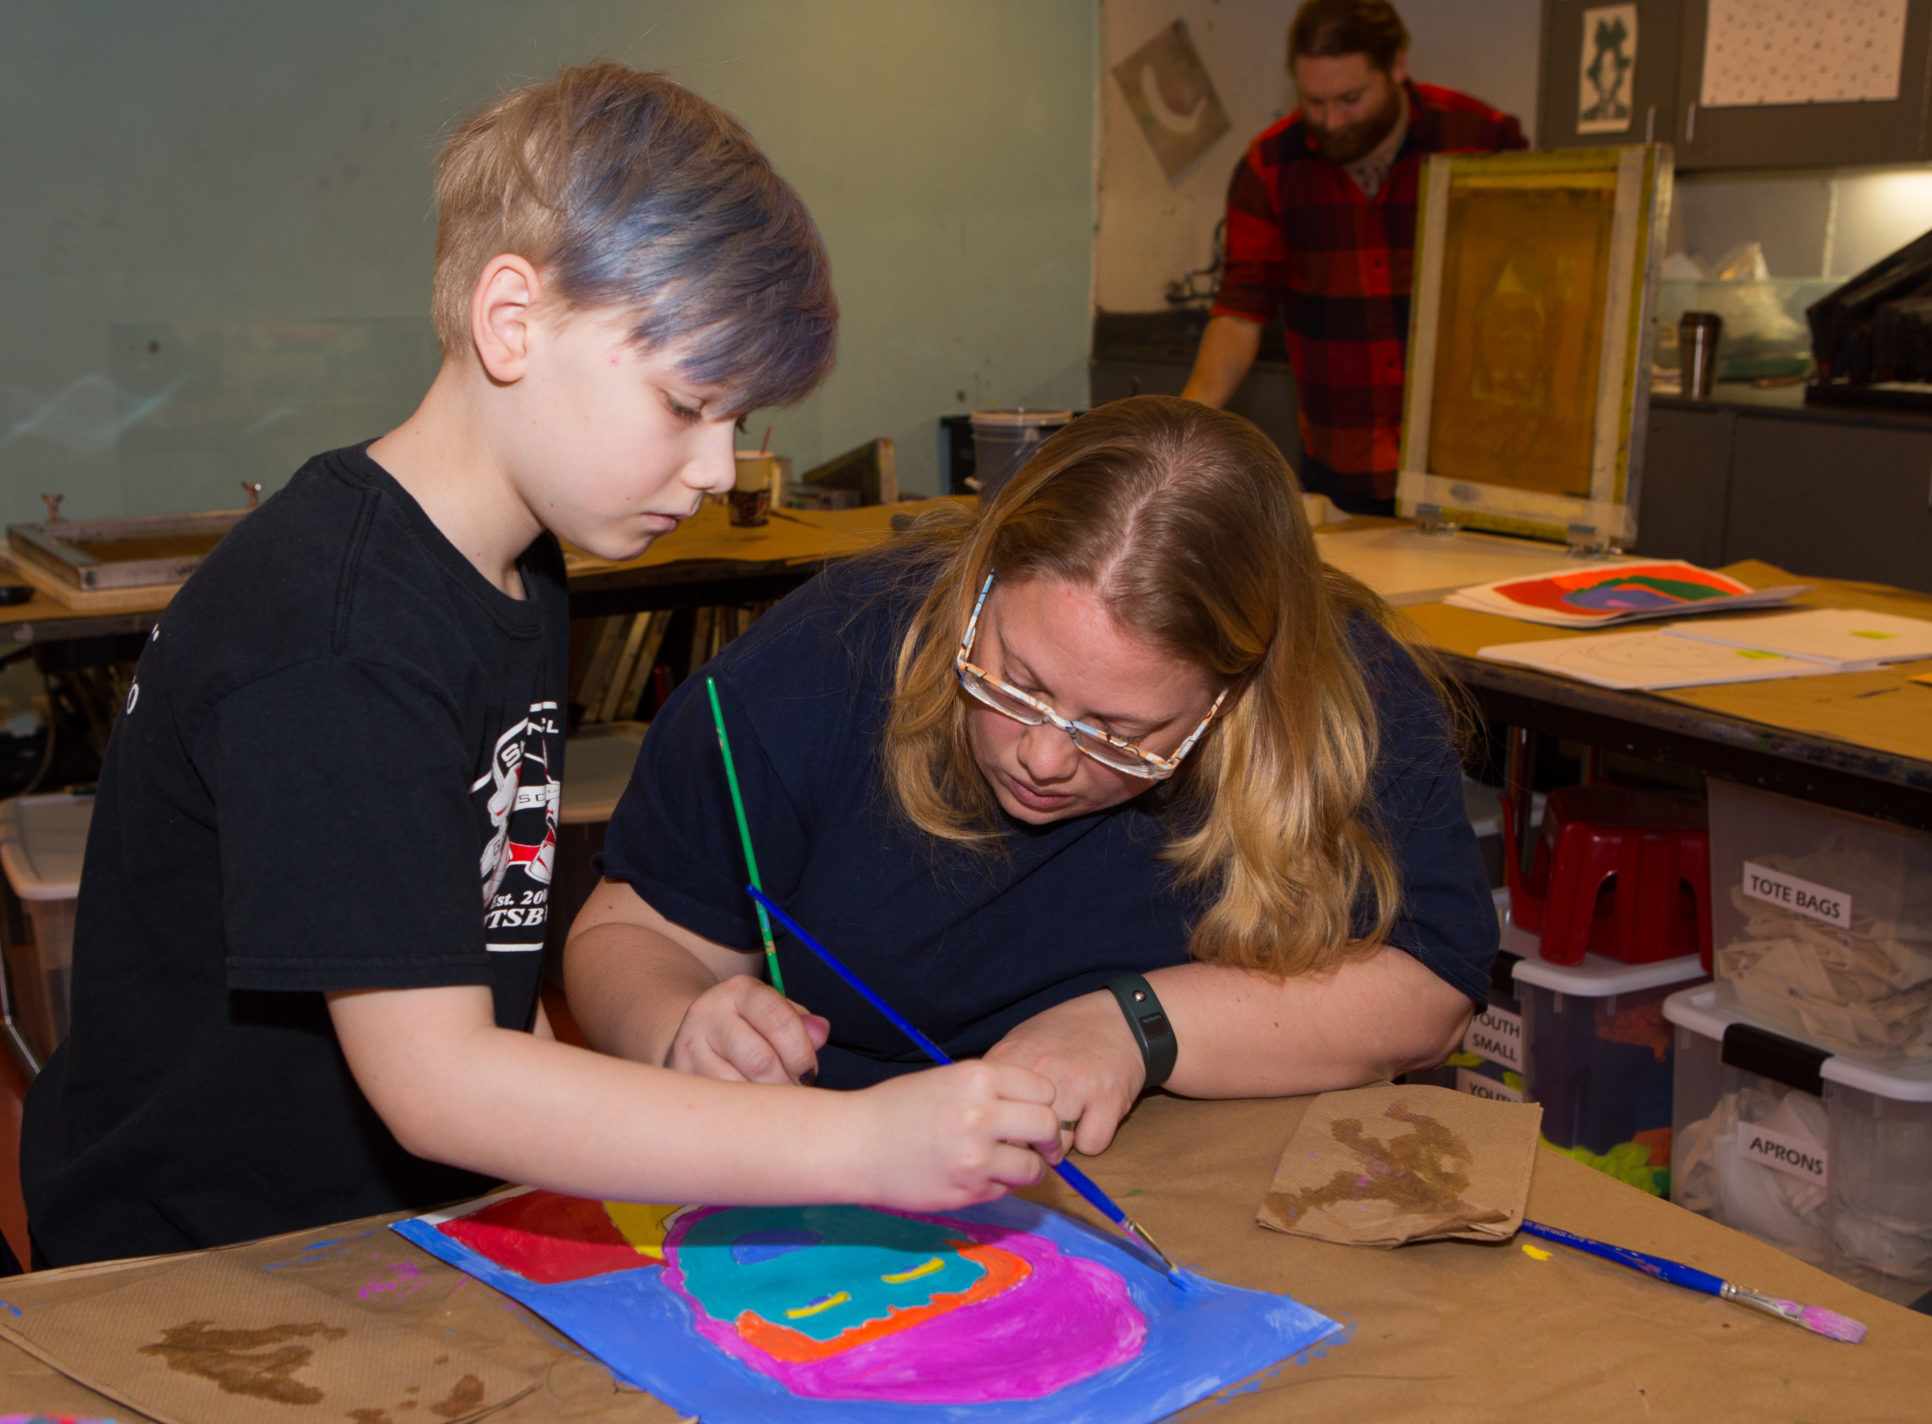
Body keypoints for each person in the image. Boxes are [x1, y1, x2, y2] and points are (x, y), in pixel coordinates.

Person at [18, 65, 1063, 1267]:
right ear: (512, 323)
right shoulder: (339, 636)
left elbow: (465, 975)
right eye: (687, 405)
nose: (721, 470)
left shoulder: (514, 568)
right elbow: (439, 1083)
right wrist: (852, 1145)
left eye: (738, 423)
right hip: (202, 1262)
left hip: (389, 1223)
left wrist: (676, 1035)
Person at [565, 396, 1496, 1155]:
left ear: (1236, 695)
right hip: (839, 1179)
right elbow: (625, 933)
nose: (1044, 759)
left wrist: (1140, 1026)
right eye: (1015, 681)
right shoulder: (819, 666)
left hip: (1202, 1179)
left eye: (1124, 731)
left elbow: (1432, 987)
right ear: (981, 583)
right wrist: (677, 1024)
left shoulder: (1345, 692)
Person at [1180, 0, 1527, 517]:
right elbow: (1239, 314)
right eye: (1313, 102)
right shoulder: (1271, 166)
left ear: (1397, 68)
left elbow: (1536, 293)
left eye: (1350, 99)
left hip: (1477, 461)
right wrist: (1181, 423)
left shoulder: (1480, 142)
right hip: (1342, 471)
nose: (1331, 121)